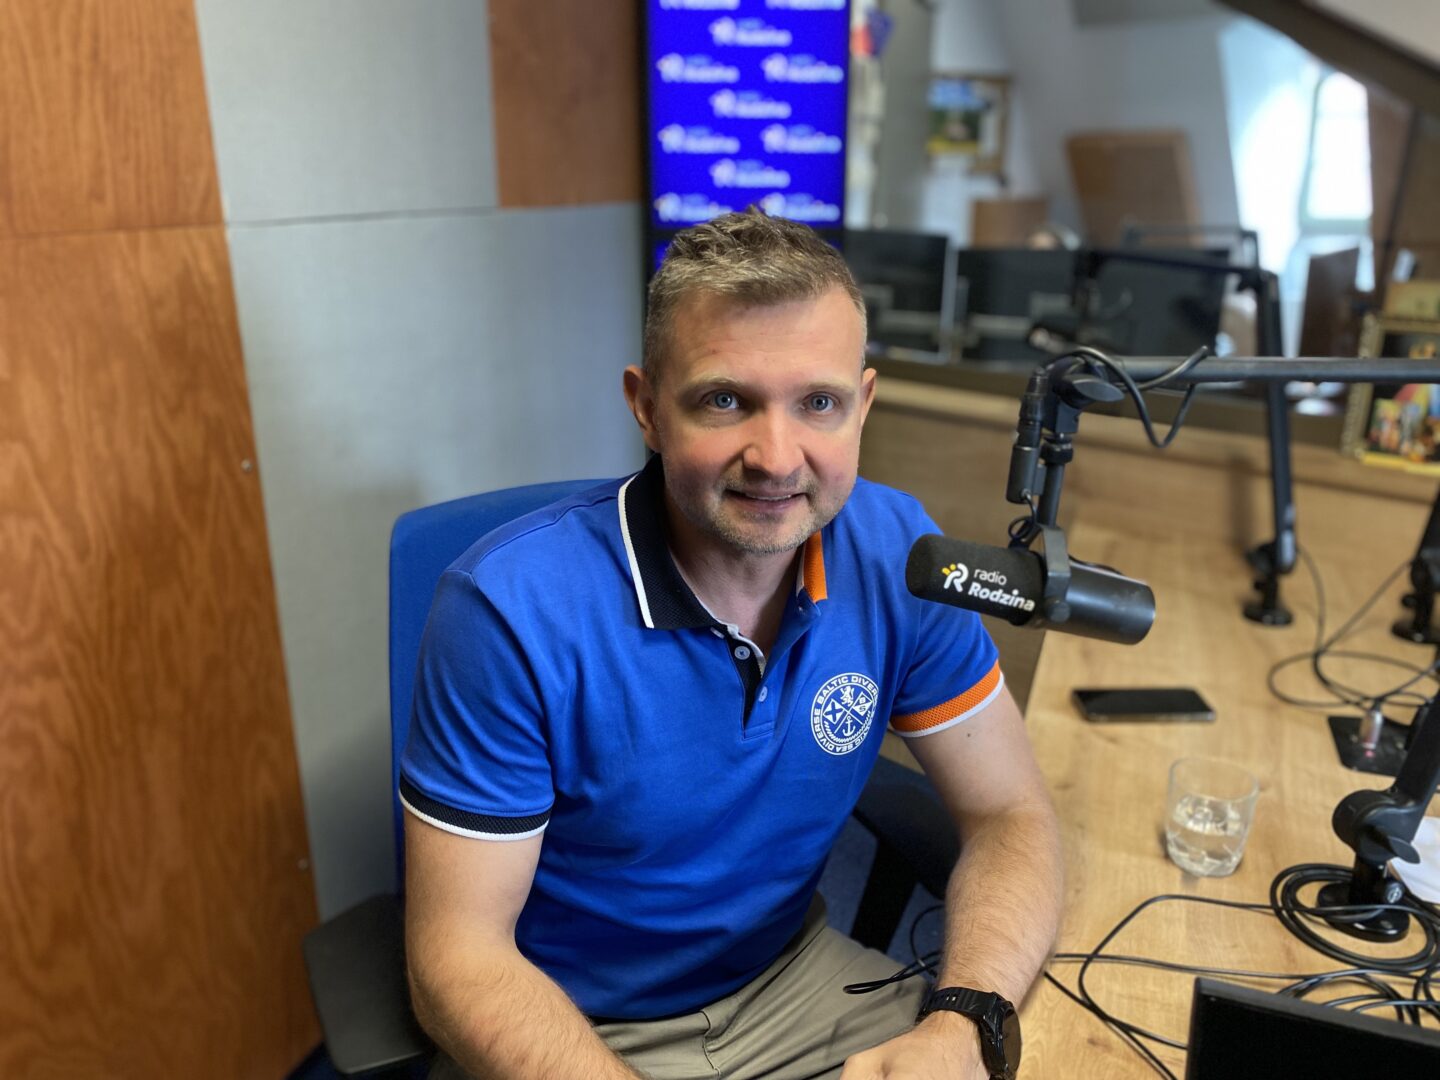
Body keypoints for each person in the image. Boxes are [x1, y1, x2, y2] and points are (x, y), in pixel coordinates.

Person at [400, 209, 1064, 1080]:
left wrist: (963, 1022)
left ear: (863, 405)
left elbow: (1012, 814)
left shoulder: (899, 553)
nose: (777, 458)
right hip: (575, 1023)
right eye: (725, 400)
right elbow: (457, 960)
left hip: (790, 983)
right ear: (646, 407)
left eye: (818, 403)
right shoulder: (509, 610)